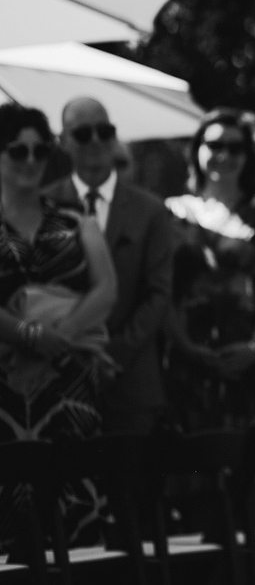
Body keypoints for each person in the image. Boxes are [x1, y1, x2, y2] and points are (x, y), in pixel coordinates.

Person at [0, 102, 117, 550]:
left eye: (39, 150)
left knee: (75, 512)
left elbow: (106, 289)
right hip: (6, 389)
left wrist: (57, 336)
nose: (30, 161)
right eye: (16, 150)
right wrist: (28, 334)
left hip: (70, 386)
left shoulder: (75, 221)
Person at [45, 98, 175, 435]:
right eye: (83, 133)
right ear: (63, 141)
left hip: (130, 383)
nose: (96, 141)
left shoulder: (151, 210)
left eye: (104, 131)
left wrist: (113, 354)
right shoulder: (44, 204)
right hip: (57, 377)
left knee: (129, 485)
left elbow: (159, 294)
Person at [164, 108, 255, 428]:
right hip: (185, 358)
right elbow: (161, 289)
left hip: (247, 360)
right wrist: (183, 344)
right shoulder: (174, 212)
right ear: (197, 150)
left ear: (248, 156)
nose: (225, 155)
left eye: (236, 148)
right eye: (215, 145)